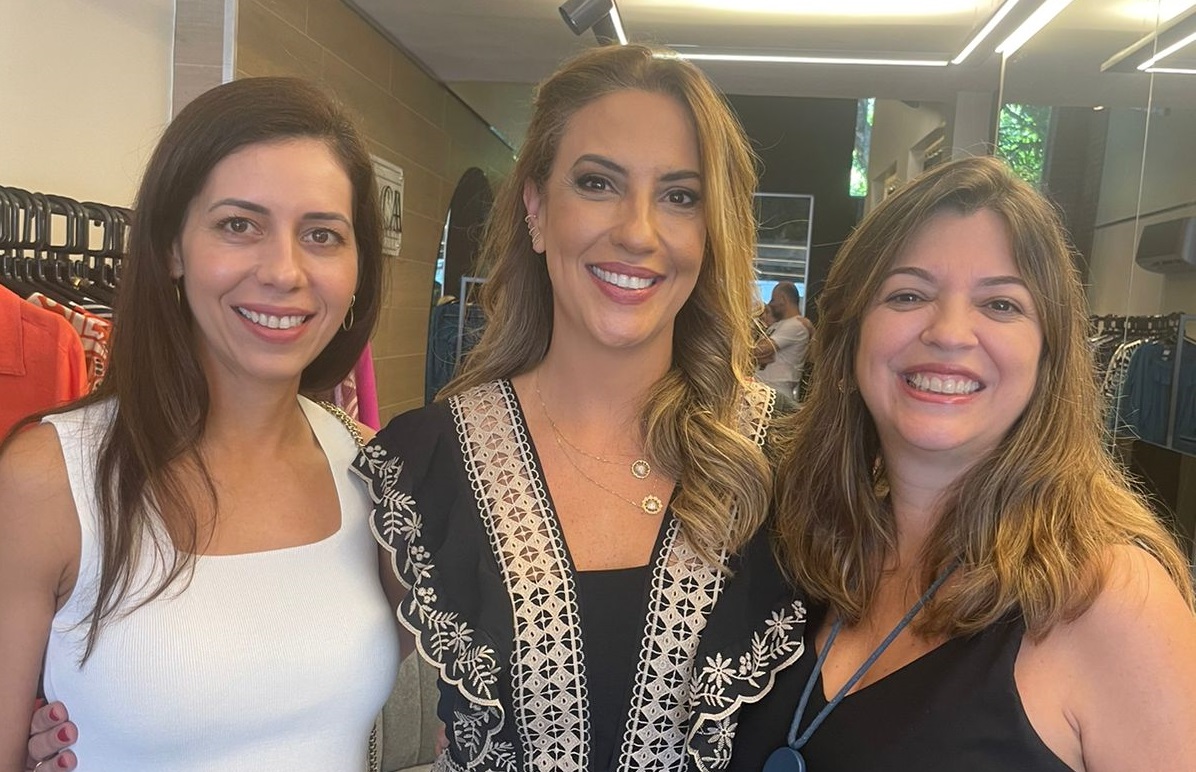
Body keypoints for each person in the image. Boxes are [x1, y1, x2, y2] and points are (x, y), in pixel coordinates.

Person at [353, 44, 804, 772]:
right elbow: (301, 696)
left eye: (680, 196)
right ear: (536, 209)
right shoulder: (422, 465)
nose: (637, 231)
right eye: (598, 183)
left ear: (710, 230)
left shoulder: (785, 461)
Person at [730, 156, 1196, 770]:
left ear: (1048, 357)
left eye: (1000, 305)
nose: (950, 332)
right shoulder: (807, 547)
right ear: (849, 341)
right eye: (908, 294)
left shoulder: (1111, 599)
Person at [3, 77, 398, 771]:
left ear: (358, 267)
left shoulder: (373, 469)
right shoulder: (49, 481)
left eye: (322, 235)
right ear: (172, 248)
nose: (284, 271)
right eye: (238, 225)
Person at [753, 282, 811, 399]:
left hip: (777, 391)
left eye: (773, 299)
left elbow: (760, 350)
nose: (771, 304)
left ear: (783, 299)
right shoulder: (778, 325)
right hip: (764, 389)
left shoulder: (796, 325)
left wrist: (754, 353)